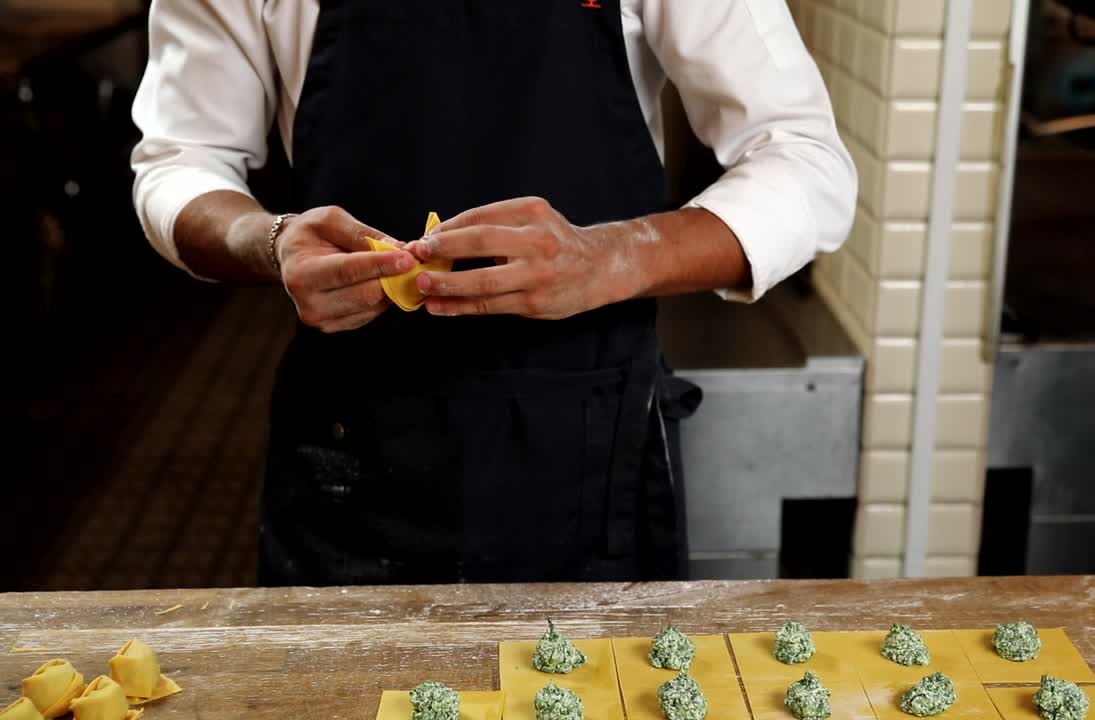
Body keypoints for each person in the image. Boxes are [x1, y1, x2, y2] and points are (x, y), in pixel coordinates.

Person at [129, 0, 857, 586]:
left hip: (587, 445)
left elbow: (804, 161)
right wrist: (269, 239)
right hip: (349, 453)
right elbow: (180, 162)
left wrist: (611, 258)